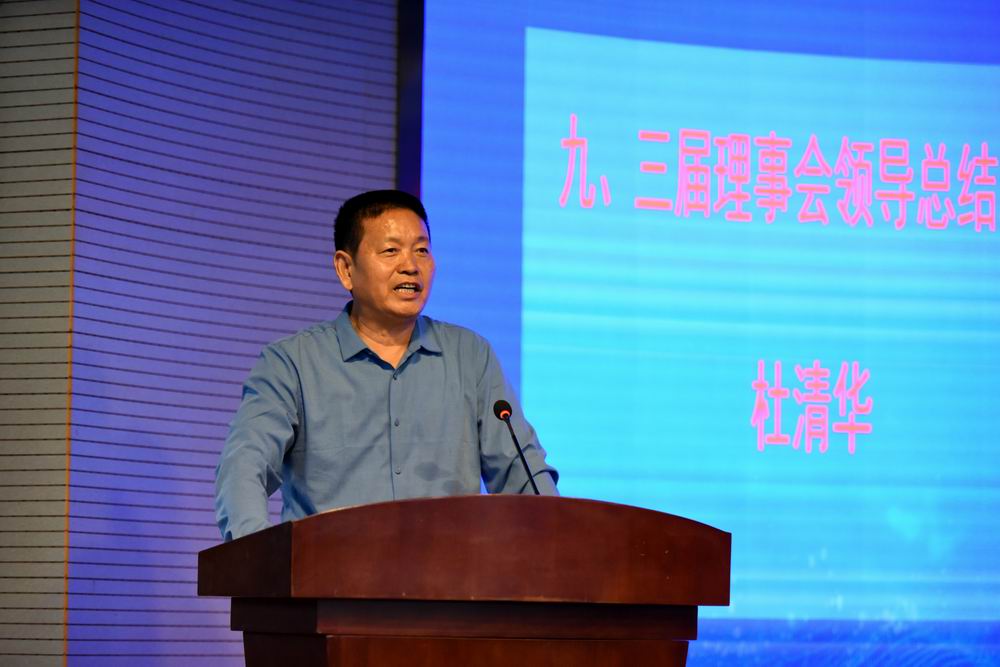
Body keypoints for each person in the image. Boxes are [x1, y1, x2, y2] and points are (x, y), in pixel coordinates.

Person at [215, 189, 558, 541]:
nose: (410, 265)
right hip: (331, 572)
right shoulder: (292, 364)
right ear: (346, 269)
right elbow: (244, 466)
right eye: (391, 250)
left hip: (450, 572)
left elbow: (522, 473)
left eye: (421, 250)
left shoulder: (470, 357)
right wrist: (255, 556)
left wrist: (559, 538)